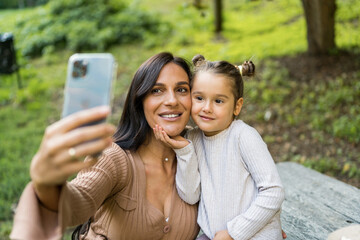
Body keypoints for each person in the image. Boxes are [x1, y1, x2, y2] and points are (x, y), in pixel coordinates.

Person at [10, 52, 200, 240]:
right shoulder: (114, 157)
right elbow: (78, 202)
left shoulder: (200, 154)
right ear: (140, 100)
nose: (172, 101)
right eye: (157, 90)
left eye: (182, 89)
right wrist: (47, 185)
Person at [153, 54, 285, 240]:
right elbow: (190, 196)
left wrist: (233, 232)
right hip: (213, 236)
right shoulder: (193, 138)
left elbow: (273, 192)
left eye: (218, 101)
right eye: (199, 98)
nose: (207, 108)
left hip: (256, 235)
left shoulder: (243, 136)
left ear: (237, 106)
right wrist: (184, 152)